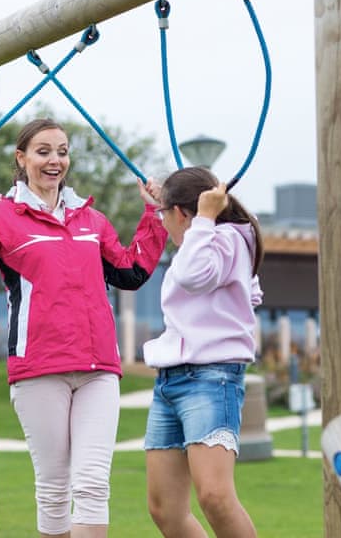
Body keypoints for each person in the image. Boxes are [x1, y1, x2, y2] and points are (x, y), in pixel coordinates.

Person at [0, 118, 167, 537]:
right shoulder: (0, 218)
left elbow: (132, 271)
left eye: (62, 151)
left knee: (91, 484)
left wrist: (153, 213)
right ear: (22, 158)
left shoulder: (91, 221)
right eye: (43, 151)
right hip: (38, 370)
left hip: (98, 370)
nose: (55, 160)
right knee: (53, 490)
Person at [142, 167, 263, 538]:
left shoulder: (223, 237)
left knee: (215, 496)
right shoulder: (210, 240)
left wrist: (205, 218)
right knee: (165, 509)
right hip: (171, 381)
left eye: (164, 215)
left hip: (211, 379)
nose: (162, 224)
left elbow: (194, 276)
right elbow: (250, 293)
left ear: (181, 213)